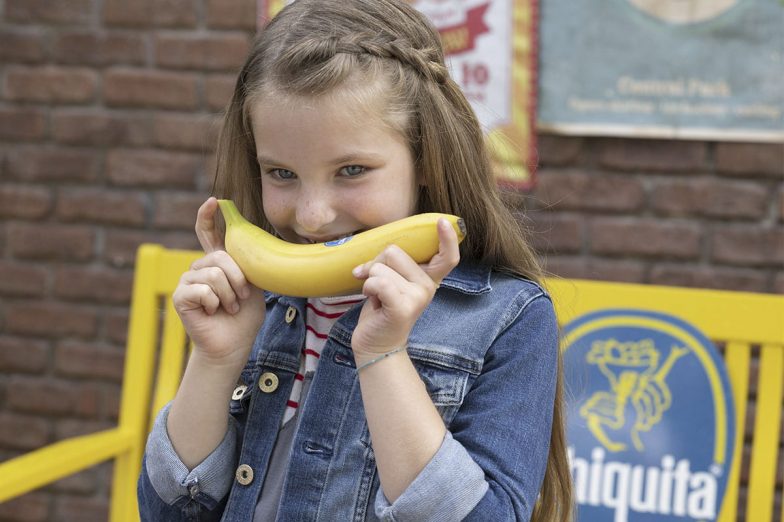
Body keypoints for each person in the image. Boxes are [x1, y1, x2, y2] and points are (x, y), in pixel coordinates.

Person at [137, 0, 572, 520]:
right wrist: (214, 361)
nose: (313, 215)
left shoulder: (507, 319)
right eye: (281, 174)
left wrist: (384, 355)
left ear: (427, 159)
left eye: (351, 170)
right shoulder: (256, 303)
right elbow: (170, 513)